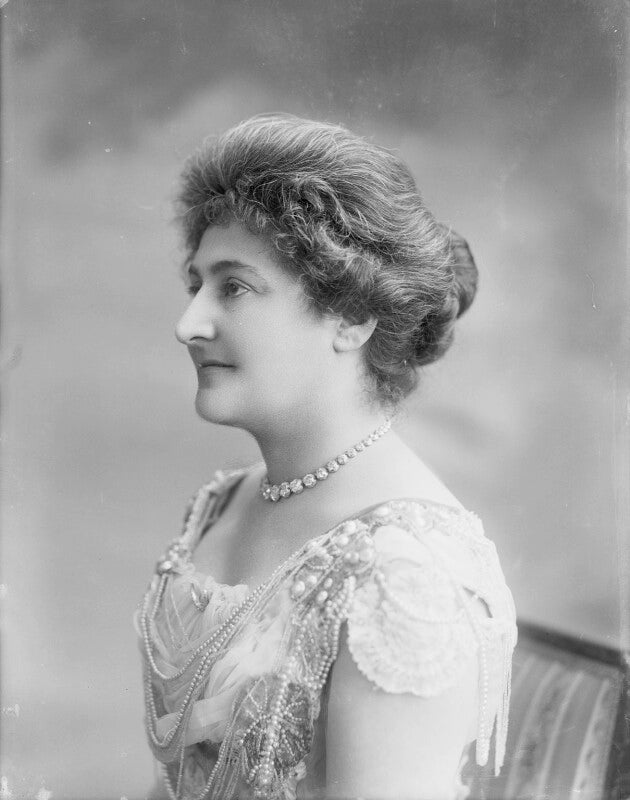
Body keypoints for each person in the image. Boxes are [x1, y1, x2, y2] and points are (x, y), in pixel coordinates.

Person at [135, 113, 518, 800]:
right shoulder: (224, 501)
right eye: (196, 284)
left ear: (353, 316)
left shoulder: (406, 574)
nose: (188, 324)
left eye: (234, 286)